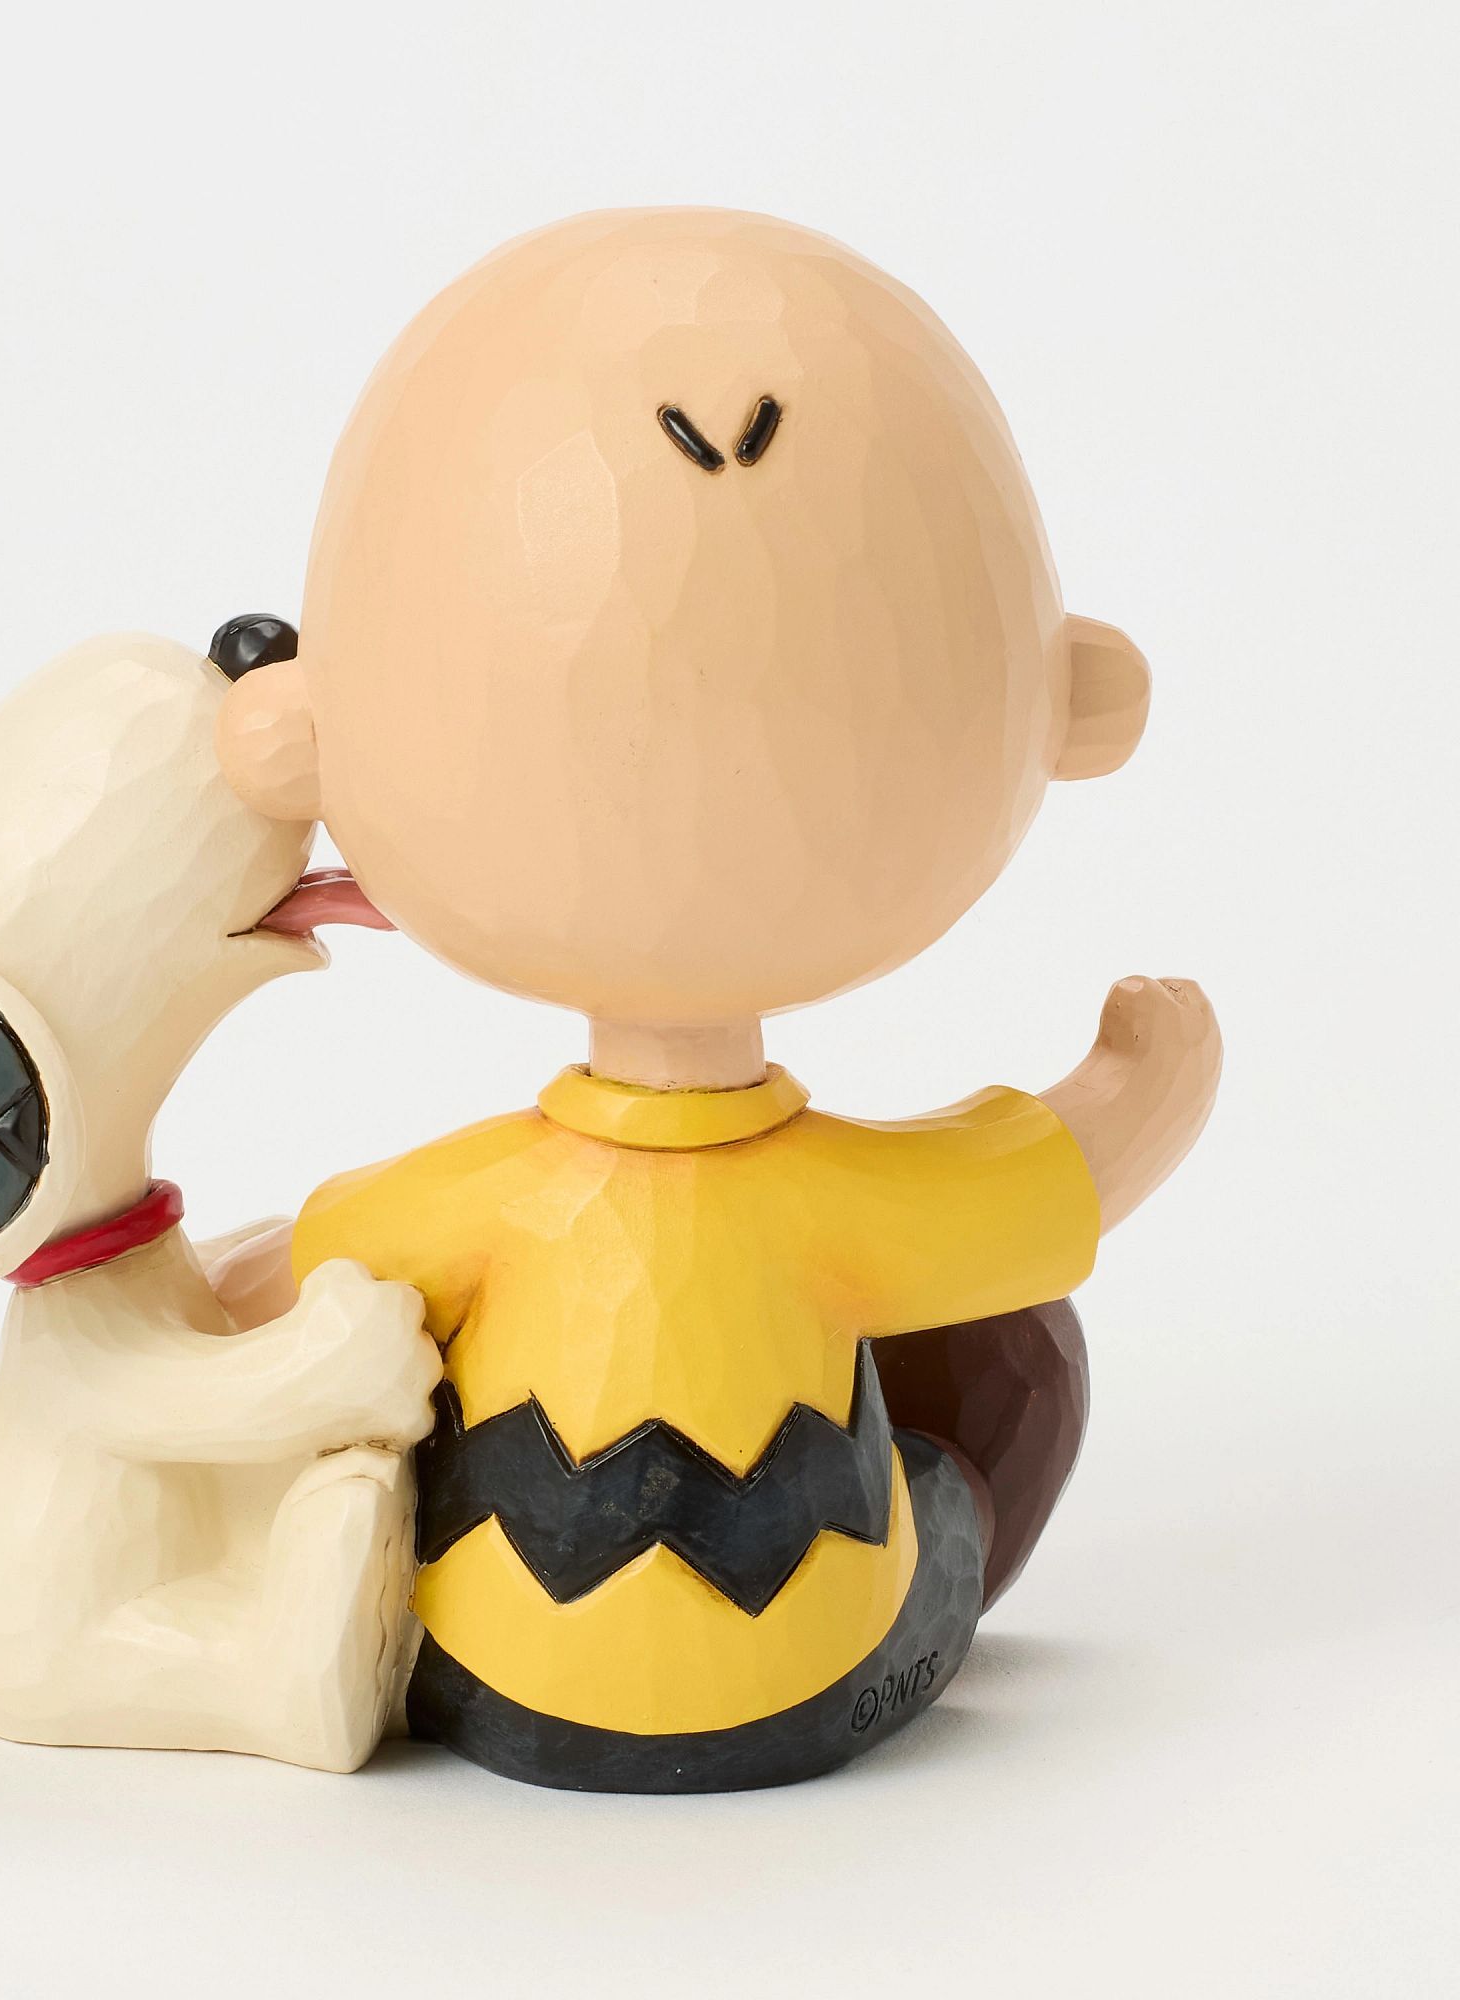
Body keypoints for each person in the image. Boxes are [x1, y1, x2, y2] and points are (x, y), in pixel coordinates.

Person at [216, 209, 1222, 1792]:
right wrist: (1146, 1077)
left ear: (301, 730)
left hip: (485, 1675)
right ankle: (913, 1590)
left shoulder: (493, 1199)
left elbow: (301, 1272)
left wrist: (205, 1288)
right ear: (1071, 701)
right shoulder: (828, 1208)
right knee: (1009, 1351)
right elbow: (1055, 1188)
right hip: (806, 1680)